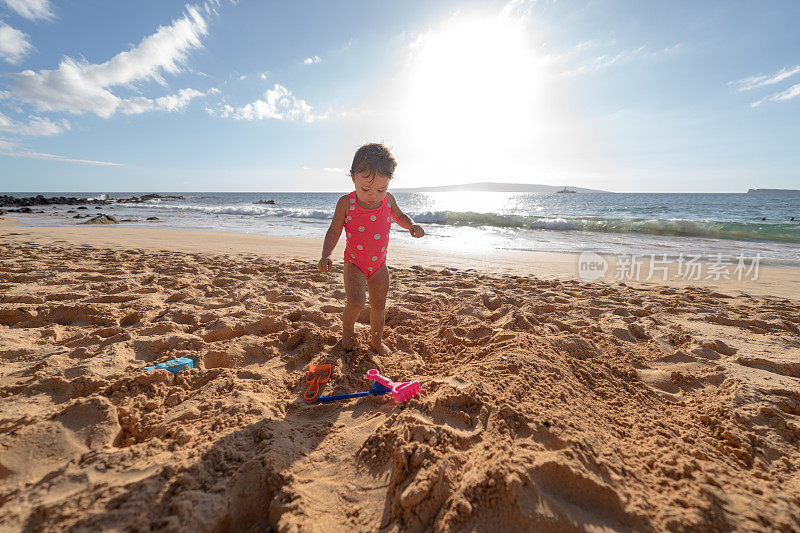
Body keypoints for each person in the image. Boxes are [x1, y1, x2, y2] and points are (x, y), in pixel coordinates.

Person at [318, 143, 425, 355]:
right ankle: (348, 329)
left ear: (389, 183)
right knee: (356, 302)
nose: (373, 195)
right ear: (353, 177)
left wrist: (411, 224)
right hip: (354, 263)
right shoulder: (346, 203)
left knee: (379, 305)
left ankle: (376, 341)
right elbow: (334, 230)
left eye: (381, 189)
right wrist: (326, 254)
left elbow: (400, 217)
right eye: (365, 189)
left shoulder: (389, 200)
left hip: (379, 265)